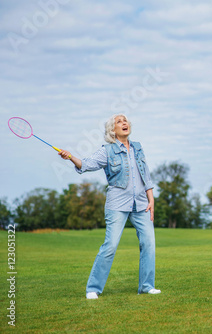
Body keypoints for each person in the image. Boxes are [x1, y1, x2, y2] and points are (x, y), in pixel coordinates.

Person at [59, 114, 161, 299]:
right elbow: (86, 164)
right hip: (117, 203)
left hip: (141, 203)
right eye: (119, 121)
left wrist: (151, 199)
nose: (124, 123)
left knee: (149, 243)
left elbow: (146, 174)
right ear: (112, 130)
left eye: (125, 120)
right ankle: (93, 288)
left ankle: (146, 286)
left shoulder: (137, 147)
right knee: (111, 245)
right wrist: (70, 157)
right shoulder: (107, 151)